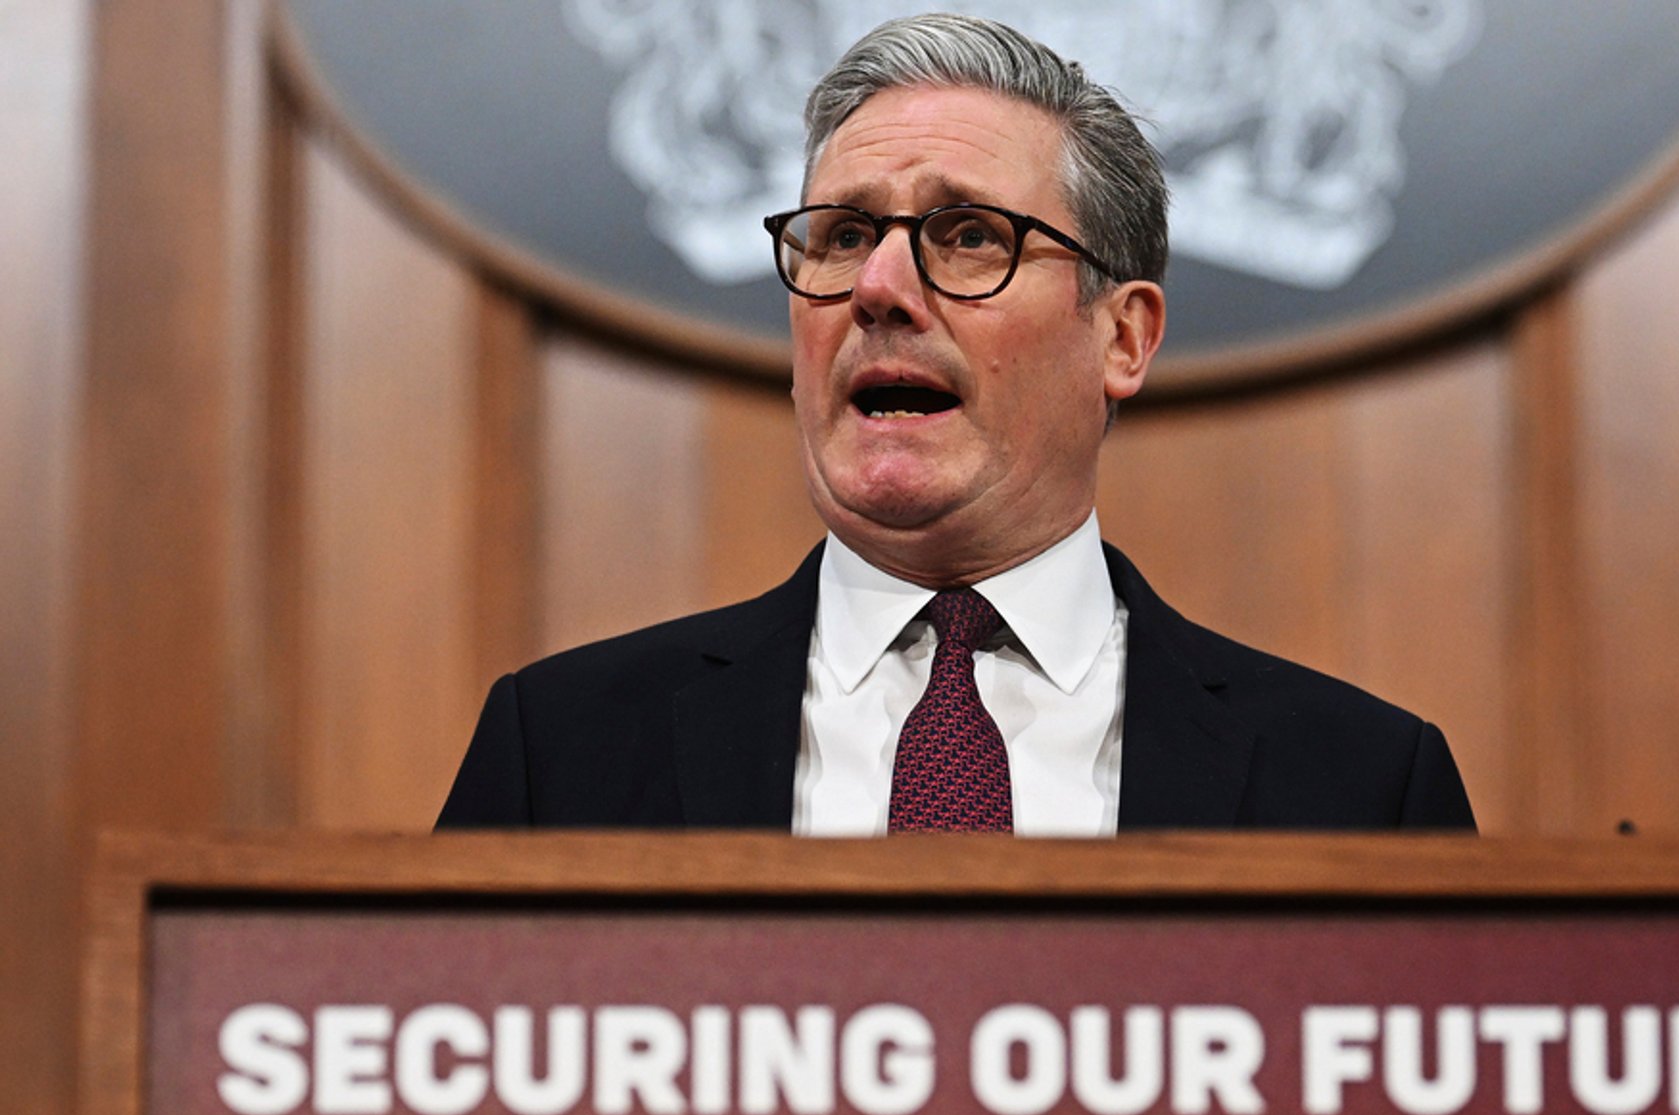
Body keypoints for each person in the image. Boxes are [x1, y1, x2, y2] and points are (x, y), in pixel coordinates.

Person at [438, 13, 1474, 834]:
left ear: (1122, 336)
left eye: (969, 235)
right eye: (841, 235)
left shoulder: (1362, 783)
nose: (879, 288)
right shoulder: (558, 754)